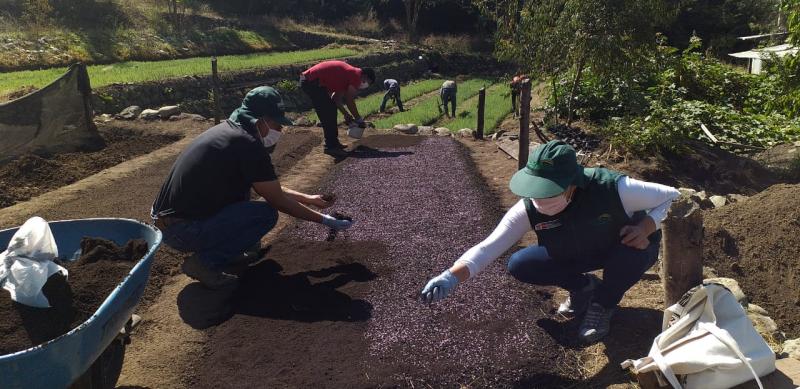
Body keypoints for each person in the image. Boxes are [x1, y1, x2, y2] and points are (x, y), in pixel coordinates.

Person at [421, 140, 679, 343]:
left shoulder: (616, 189)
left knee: (631, 254)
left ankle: (603, 303)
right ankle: (584, 287)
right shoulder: (528, 209)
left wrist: (646, 226)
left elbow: (675, 198)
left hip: (621, 246)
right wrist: (451, 276)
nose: (540, 201)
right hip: (577, 251)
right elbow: (489, 247)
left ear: (572, 185)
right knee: (522, 263)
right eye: (536, 191)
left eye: (549, 192)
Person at [151, 86, 354, 289]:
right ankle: (204, 263)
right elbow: (277, 200)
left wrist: (309, 199)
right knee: (265, 214)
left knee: (245, 198)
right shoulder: (247, 144)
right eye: (277, 124)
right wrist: (327, 221)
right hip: (183, 230)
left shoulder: (230, 131)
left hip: (170, 222)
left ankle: (231, 253)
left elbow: (269, 188)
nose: (280, 130)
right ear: (261, 121)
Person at [300, 60, 376, 156]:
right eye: (367, 82)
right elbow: (349, 100)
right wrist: (358, 119)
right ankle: (330, 147)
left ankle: (334, 143)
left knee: (331, 109)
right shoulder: (356, 75)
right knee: (328, 112)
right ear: (365, 76)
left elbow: (335, 99)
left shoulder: (346, 78)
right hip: (312, 81)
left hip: (312, 81)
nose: (365, 85)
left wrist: (346, 114)